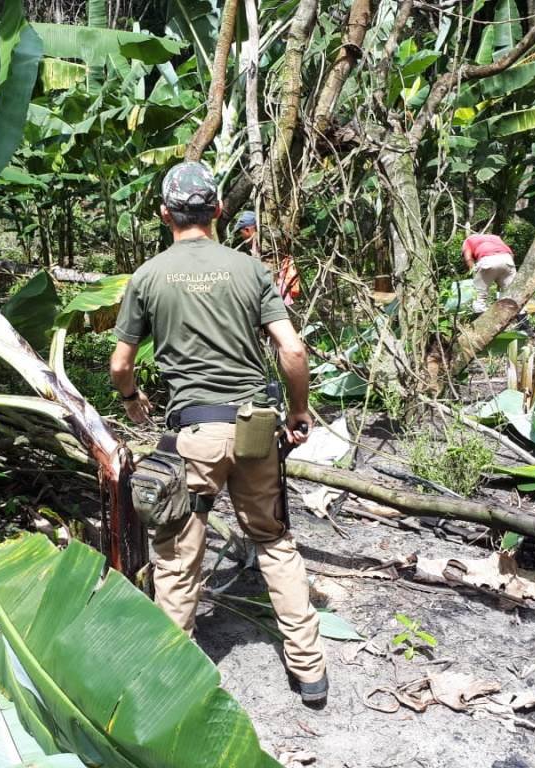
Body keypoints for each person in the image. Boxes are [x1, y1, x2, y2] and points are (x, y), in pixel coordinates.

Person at [109, 162, 328, 707]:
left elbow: (119, 364)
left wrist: (133, 399)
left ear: (165, 215)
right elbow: (292, 349)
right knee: (274, 540)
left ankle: (173, 674)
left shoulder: (149, 276)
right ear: (219, 211)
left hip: (194, 433)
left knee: (179, 552)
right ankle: (310, 672)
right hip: (255, 427)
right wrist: (299, 412)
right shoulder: (250, 270)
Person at [462, 232, 516, 312]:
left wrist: (474, 273)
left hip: (488, 260)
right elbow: (511, 254)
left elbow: (468, 259)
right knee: (513, 296)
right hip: (508, 259)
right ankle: (524, 323)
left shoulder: (468, 240)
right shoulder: (495, 237)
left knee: (479, 298)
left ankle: (482, 323)